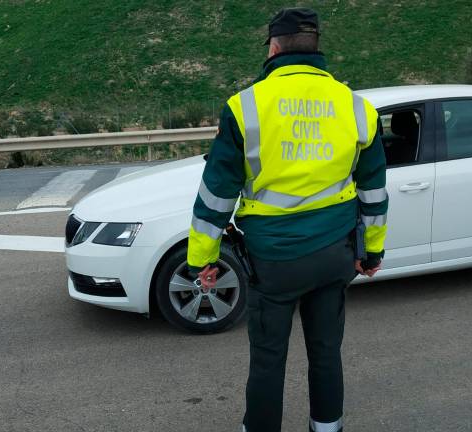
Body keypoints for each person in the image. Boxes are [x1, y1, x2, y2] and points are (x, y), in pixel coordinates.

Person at [186, 7, 388, 432]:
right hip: (335, 255)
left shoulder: (245, 107)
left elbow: (216, 193)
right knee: (326, 352)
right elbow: (374, 193)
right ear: (316, 48)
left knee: (268, 359)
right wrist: (371, 253)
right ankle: (327, 428)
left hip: (274, 261)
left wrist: (201, 259)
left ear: (274, 48)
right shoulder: (357, 107)